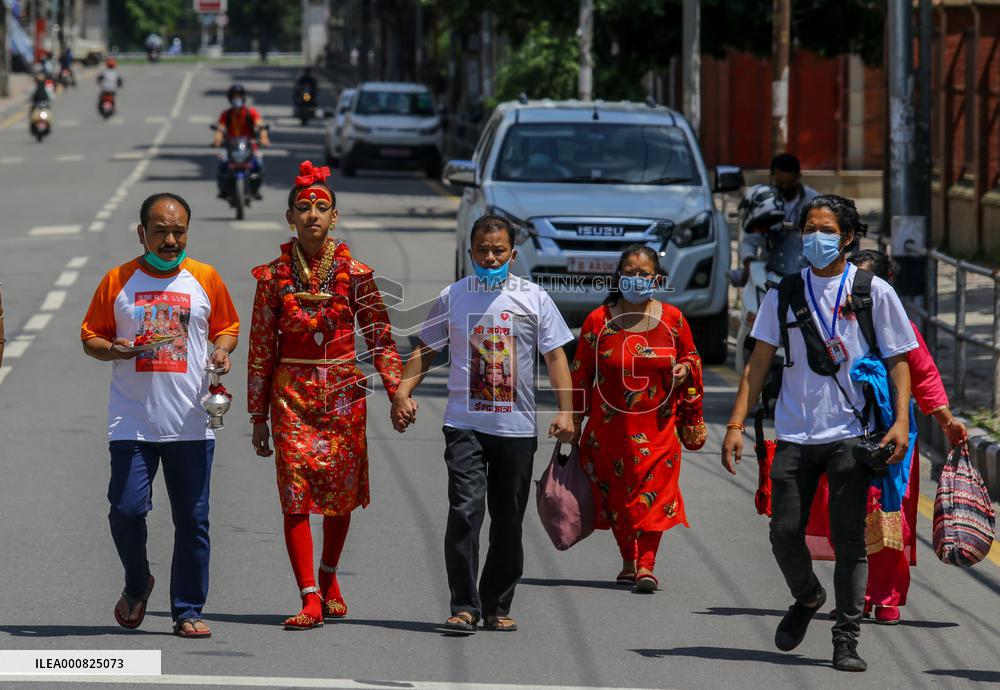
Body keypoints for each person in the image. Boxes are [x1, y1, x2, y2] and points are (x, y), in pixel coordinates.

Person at [721, 194, 917, 672]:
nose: (814, 237)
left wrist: (901, 420)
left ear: (847, 237)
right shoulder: (784, 292)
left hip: (851, 434)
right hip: (794, 433)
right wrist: (734, 424)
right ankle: (807, 595)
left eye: (825, 229)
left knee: (849, 539)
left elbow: (899, 360)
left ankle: (846, 638)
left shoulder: (873, 292)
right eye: (809, 228)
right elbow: (759, 361)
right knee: (784, 531)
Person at [392, 214, 576, 633]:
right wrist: (404, 390)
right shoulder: (454, 296)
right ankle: (464, 605)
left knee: (508, 520)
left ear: (513, 254)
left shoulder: (534, 299)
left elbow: (556, 358)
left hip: (515, 430)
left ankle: (496, 603)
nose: (489, 257)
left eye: (498, 251)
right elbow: (427, 348)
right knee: (465, 511)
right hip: (464, 426)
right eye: (482, 250)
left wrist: (567, 412)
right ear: (469, 252)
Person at [247, 161, 402, 631]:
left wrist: (397, 392)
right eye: (303, 207)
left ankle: (329, 574)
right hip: (290, 395)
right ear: (289, 217)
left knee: (339, 496)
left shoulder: (356, 274)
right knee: (295, 496)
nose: (312, 214)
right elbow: (259, 347)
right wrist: (258, 416)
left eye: (321, 207)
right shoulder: (273, 277)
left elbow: (380, 337)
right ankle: (309, 596)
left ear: (334, 217)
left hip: (340, 393)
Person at [81, 193, 240, 639]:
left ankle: (188, 609)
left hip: (191, 421)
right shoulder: (118, 280)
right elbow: (91, 336)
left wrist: (222, 352)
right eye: (161, 231)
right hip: (132, 420)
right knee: (127, 510)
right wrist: (115, 349)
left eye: (179, 231)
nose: (171, 240)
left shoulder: (205, 277)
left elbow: (227, 326)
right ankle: (137, 582)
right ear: (142, 233)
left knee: (192, 520)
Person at [802, 249, 968, 625]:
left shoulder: (901, 328)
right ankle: (856, 594)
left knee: (889, 511)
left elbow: (922, 373)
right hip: (841, 430)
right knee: (847, 512)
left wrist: (946, 421)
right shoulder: (828, 323)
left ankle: (886, 596)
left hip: (893, 433)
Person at [570, 244, 705, 592]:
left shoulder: (673, 320)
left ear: (657, 279)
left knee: (655, 496)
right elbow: (580, 375)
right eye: (629, 272)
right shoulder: (598, 321)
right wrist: (573, 421)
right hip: (608, 433)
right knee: (616, 500)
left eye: (643, 274)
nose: (635, 279)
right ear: (618, 277)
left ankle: (646, 564)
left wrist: (682, 369)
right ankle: (628, 560)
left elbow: (692, 357)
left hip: (659, 431)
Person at [737, 154, 819, 285]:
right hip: (768, 268)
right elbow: (749, 239)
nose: (785, 188)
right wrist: (748, 262)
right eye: (780, 183)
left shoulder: (814, 201)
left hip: (803, 269)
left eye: (790, 183)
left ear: (799, 177)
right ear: (772, 178)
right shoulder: (761, 201)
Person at [212, 83, 269, 200]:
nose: (236, 99)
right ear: (230, 98)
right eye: (234, 96)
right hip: (231, 147)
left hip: (249, 147)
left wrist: (263, 137)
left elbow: (260, 125)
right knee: (221, 161)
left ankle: (256, 189)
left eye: (239, 96)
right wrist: (217, 140)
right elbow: (221, 128)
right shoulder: (226, 114)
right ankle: (223, 190)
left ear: (243, 97)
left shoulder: (251, 112)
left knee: (259, 161)